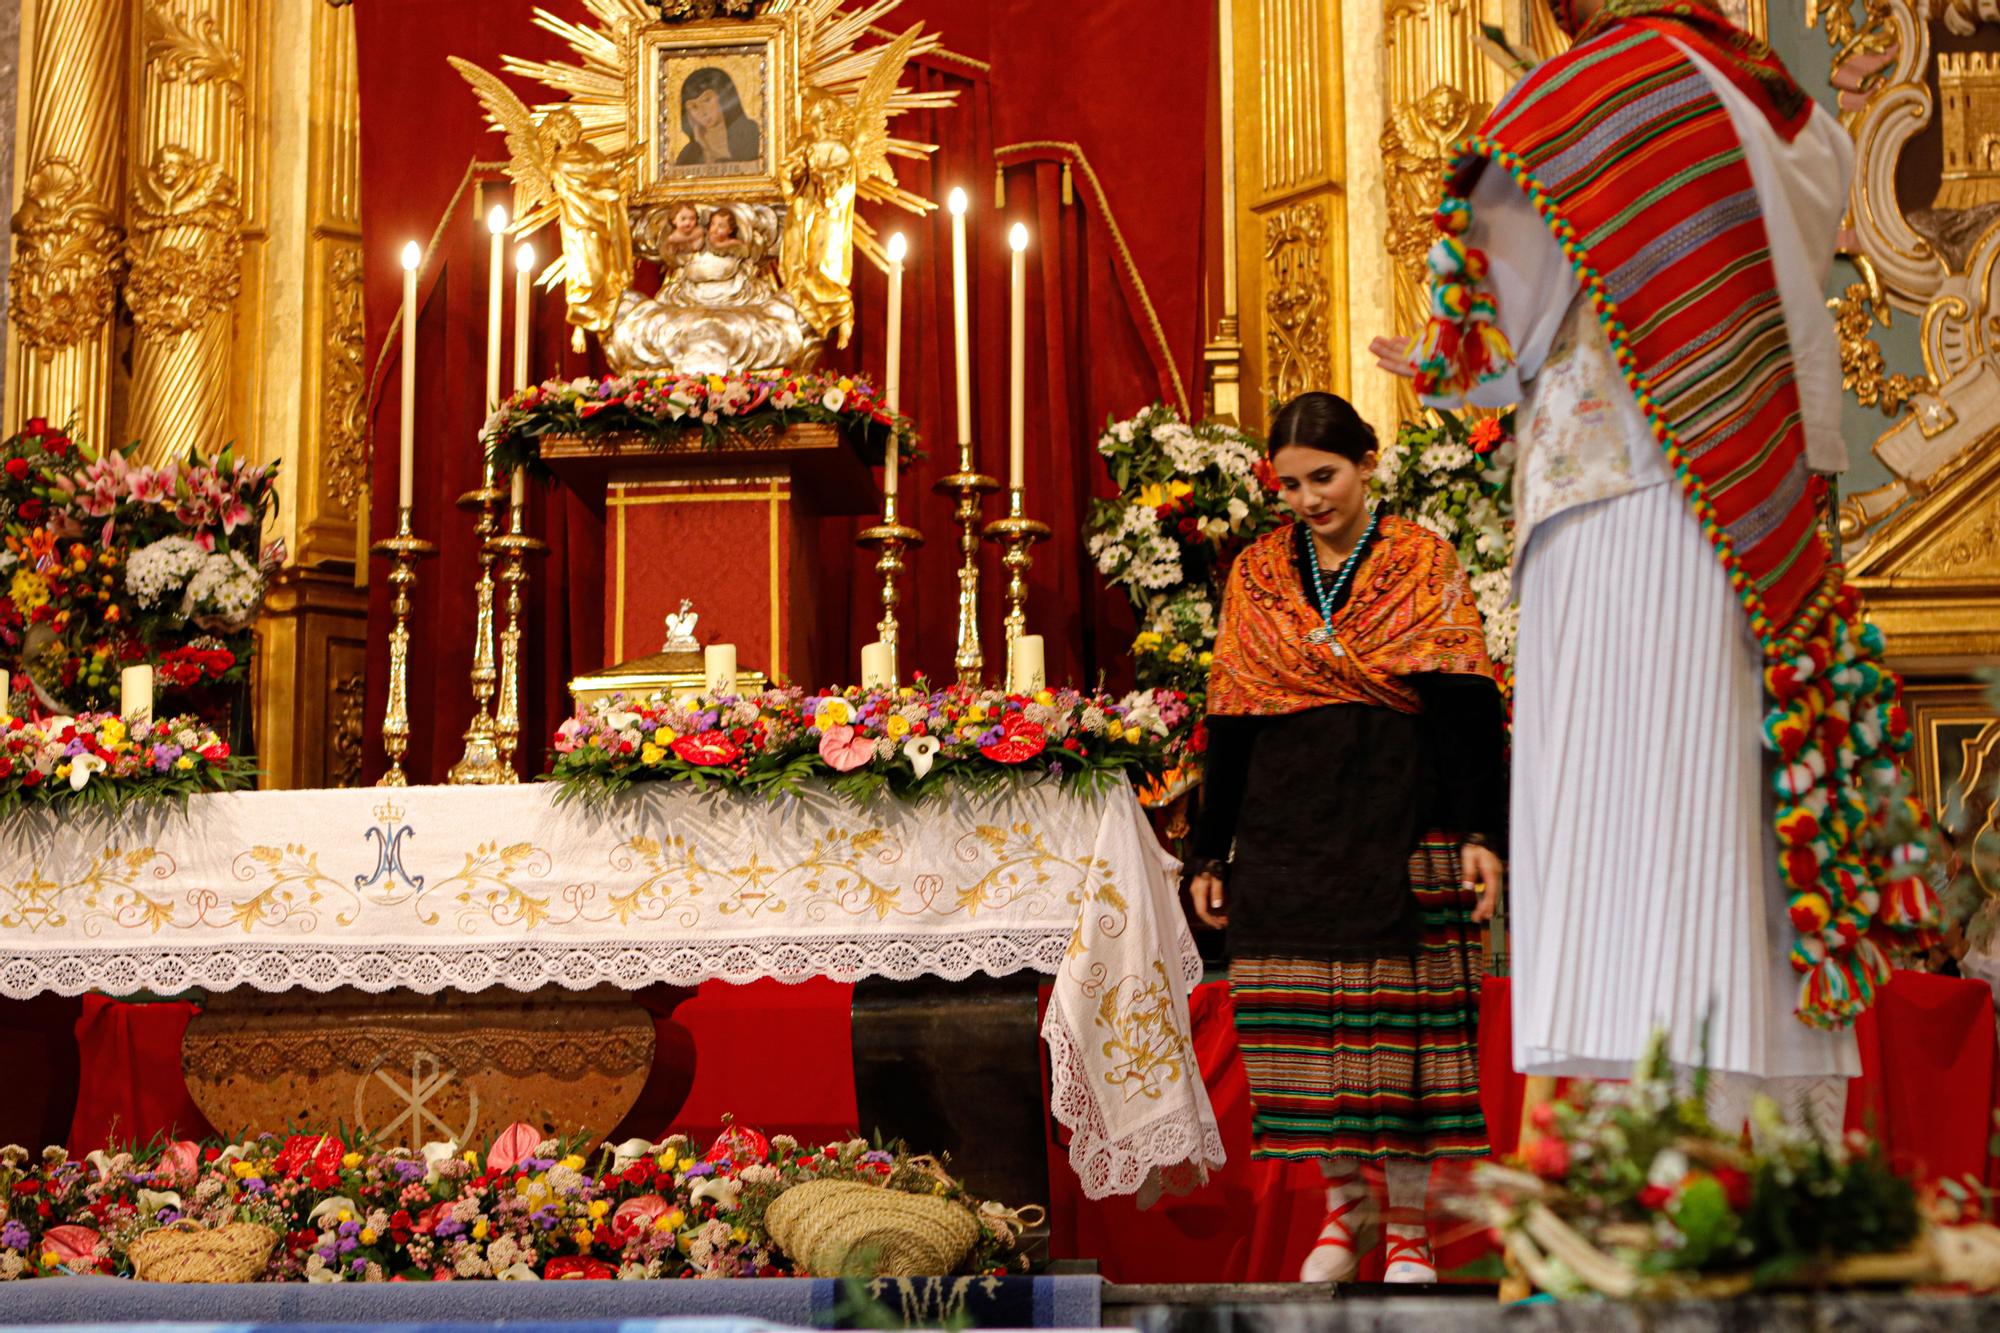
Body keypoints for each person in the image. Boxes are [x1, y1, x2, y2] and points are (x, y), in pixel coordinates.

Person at [1373, 0, 1929, 1132]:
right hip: (1759, 485)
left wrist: (1445, 362)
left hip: (1621, 482)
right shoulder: (1783, 103)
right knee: (1743, 796)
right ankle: (1768, 1129)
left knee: (1621, 808)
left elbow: (1497, 317)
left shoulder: (1583, 95)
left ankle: (1638, 1131)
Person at [1191, 392, 1508, 1283]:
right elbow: (1234, 719)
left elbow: (1466, 706)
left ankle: (1407, 1225)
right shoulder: (1257, 572)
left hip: (1404, 814)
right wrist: (1210, 851)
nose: (1306, 498)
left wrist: (1482, 831)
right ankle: (1346, 1209)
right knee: (1309, 1042)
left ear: (1368, 462)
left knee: (1403, 1037)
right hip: (1290, 829)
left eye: (1323, 477)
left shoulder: (1421, 558)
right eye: (1288, 484)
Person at [676, 68, 762, 167]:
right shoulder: (689, 154)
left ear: (723, 97)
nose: (702, 112)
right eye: (694, 107)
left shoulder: (750, 133)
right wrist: (704, 147)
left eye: (706, 100)